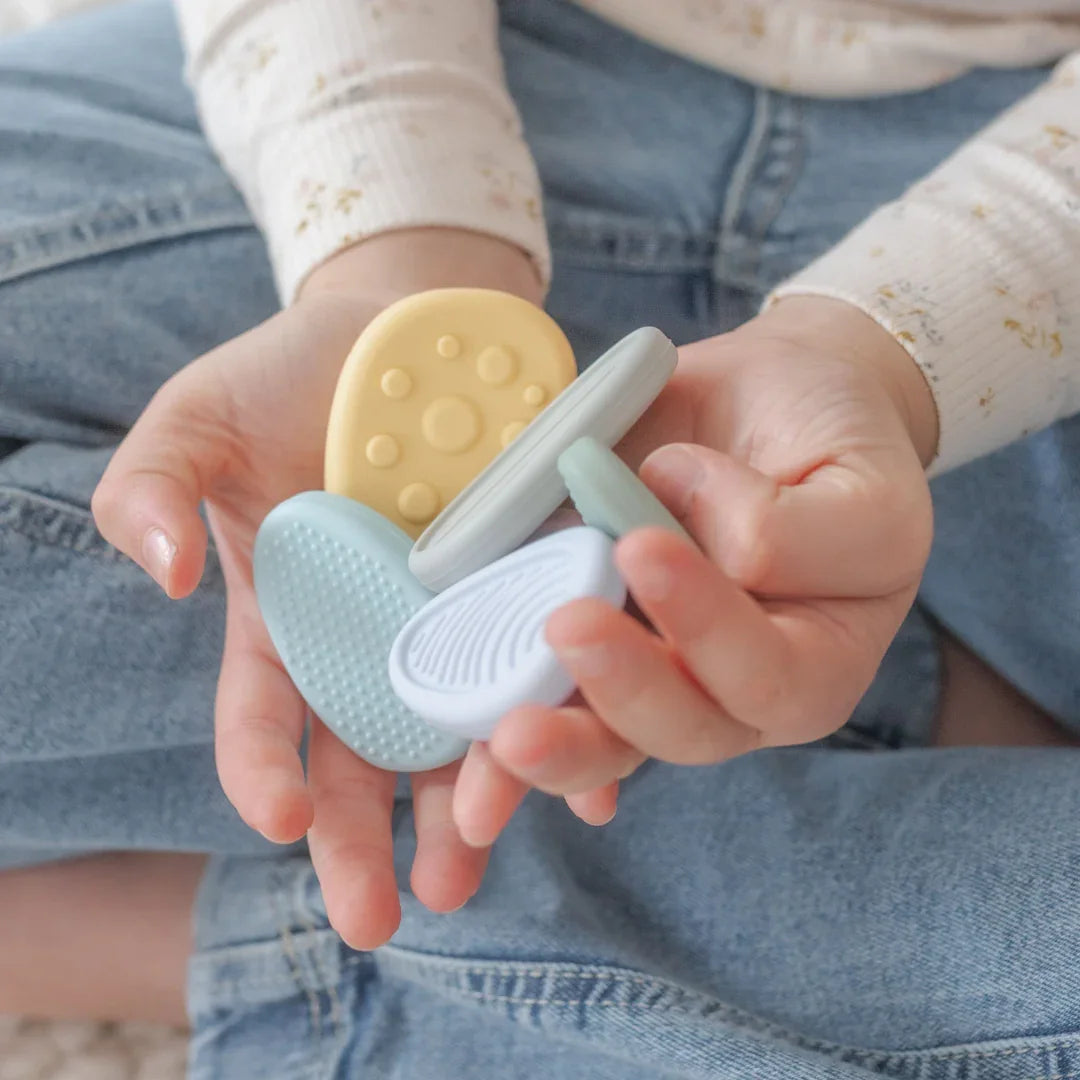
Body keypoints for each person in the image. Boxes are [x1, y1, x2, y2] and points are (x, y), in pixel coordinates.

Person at [2, 1, 1080, 1076]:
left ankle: (275, 948)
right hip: (472, 74)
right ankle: (910, 713)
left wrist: (880, 356)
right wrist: (395, 270)